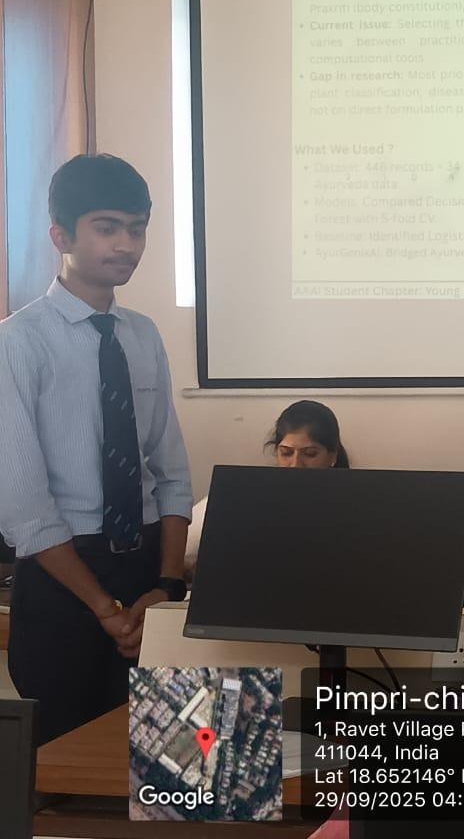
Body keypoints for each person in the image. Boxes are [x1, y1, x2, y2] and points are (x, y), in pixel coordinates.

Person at [0, 154, 193, 745]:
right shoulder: (17, 342)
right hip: (63, 581)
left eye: (137, 228)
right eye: (107, 228)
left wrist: (165, 589)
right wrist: (105, 609)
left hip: (147, 571)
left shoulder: (143, 334)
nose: (127, 244)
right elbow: (26, 510)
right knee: (70, 766)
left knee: (177, 762)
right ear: (61, 236)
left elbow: (172, 474)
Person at [185, 400, 348, 573]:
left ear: (332, 456)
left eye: (310, 454)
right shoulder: (245, 498)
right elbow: (185, 551)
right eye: (286, 453)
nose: (295, 465)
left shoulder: (350, 505)